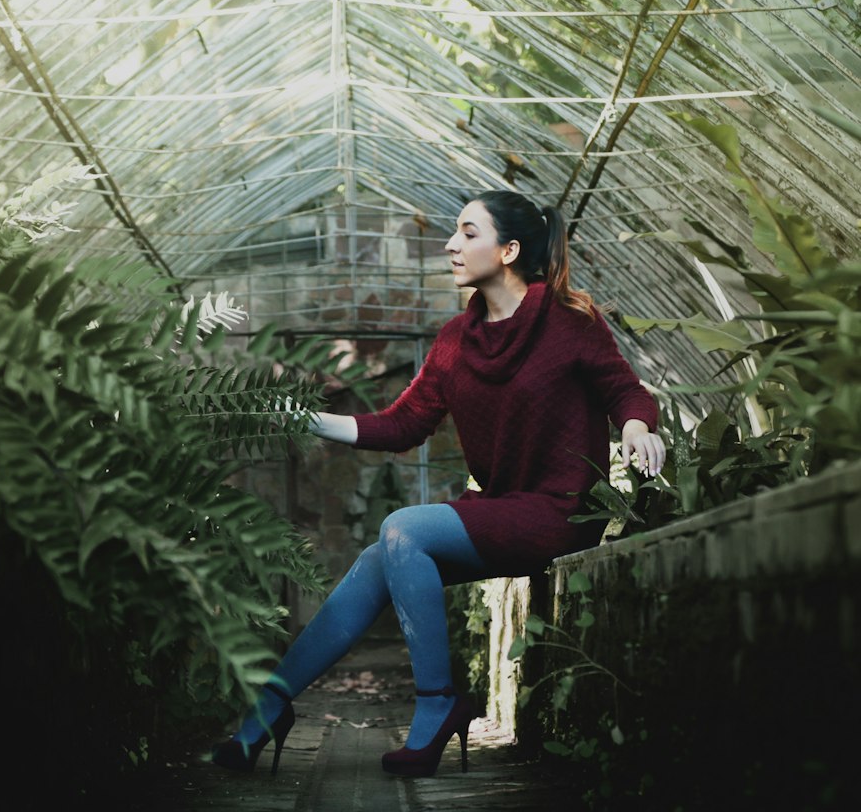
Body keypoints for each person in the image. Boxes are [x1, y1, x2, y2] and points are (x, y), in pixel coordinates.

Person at [212, 190, 664, 779]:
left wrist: (636, 425)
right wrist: (302, 417)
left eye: (468, 233)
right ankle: (270, 705)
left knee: (403, 527)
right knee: (381, 556)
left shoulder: (568, 321)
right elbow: (401, 424)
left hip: (560, 511)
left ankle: (436, 703)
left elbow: (625, 390)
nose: (451, 244)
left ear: (509, 249)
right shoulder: (456, 341)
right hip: (501, 509)